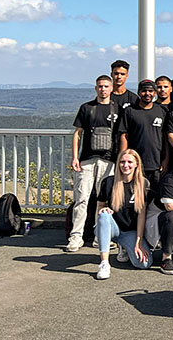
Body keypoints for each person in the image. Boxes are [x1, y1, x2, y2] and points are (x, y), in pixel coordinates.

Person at [68, 75, 118, 252]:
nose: (103, 89)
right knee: (81, 199)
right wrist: (75, 157)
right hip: (87, 160)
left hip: (109, 160)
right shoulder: (87, 108)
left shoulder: (117, 109)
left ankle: (100, 237)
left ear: (111, 88)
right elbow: (77, 134)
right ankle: (76, 237)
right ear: (95, 88)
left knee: (102, 202)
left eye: (106, 86)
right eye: (100, 86)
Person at [94, 149, 153, 280]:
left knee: (144, 264)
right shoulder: (109, 182)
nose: (125, 165)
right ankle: (104, 263)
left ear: (137, 164)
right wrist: (104, 209)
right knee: (103, 216)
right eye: (122, 162)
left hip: (131, 231)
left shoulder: (144, 184)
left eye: (129, 162)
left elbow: (141, 215)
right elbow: (101, 205)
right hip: (112, 228)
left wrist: (139, 242)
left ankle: (125, 247)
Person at [118, 79, 167, 195]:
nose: (147, 94)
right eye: (144, 91)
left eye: (151, 91)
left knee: (154, 196)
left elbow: (166, 138)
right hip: (135, 164)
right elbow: (124, 135)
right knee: (135, 195)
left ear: (155, 93)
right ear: (139, 92)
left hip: (156, 163)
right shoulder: (130, 111)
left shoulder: (162, 111)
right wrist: (124, 157)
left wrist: (166, 160)